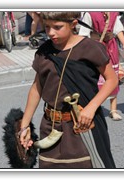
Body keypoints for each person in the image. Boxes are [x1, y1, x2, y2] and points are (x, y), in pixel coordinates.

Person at [19, 12, 117, 168]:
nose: (51, 32)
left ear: (73, 24)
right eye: (47, 27)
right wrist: (24, 126)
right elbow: (37, 88)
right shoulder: (44, 51)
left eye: (58, 27)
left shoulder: (90, 47)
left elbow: (112, 79)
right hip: (50, 127)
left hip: (82, 125)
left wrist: (91, 108)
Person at [79, 12, 124, 120]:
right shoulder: (90, 13)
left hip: (111, 47)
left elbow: (118, 30)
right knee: (95, 79)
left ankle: (113, 110)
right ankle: (93, 108)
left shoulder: (113, 12)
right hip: (95, 47)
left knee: (114, 77)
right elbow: (83, 33)